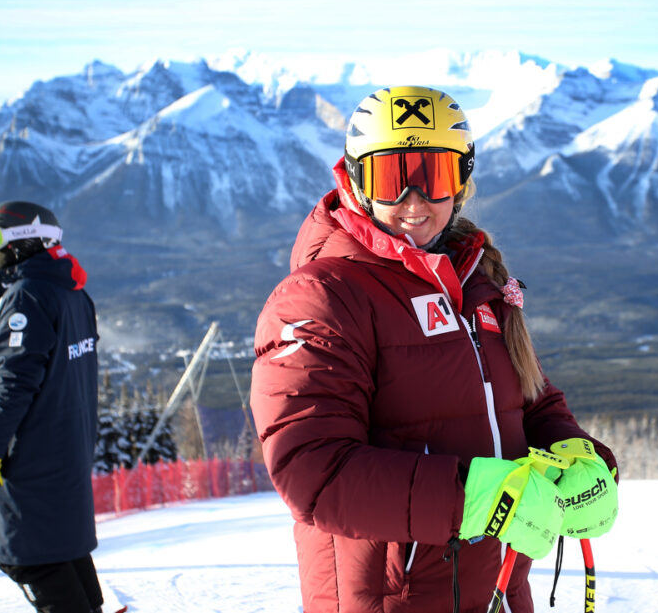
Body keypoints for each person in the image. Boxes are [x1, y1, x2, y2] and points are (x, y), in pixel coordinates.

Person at [250, 85, 619, 613]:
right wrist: (477, 497)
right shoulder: (321, 297)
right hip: (393, 599)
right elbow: (313, 471)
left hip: (500, 588)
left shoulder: (477, 279)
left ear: (462, 181)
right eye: (390, 177)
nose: (414, 200)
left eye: (434, 176)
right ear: (355, 179)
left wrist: (577, 453)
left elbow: (527, 399)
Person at [0, 201, 104, 613]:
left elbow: (15, 380)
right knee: (60, 550)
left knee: (27, 556)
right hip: (62, 460)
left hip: (28, 465)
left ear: (18, 243)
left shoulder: (27, 297)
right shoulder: (72, 294)